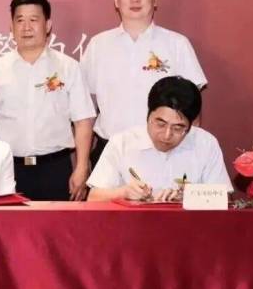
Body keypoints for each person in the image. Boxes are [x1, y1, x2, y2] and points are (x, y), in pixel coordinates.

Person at [81, 0, 206, 167]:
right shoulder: (99, 45)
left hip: (164, 151)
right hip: (109, 150)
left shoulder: (176, 44)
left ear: (155, 0)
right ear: (116, 1)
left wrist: (188, 155)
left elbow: (193, 106)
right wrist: (82, 161)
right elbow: (85, 108)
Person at [0, 0, 96, 200]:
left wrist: (81, 167)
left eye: (34, 20)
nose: (26, 27)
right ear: (11, 27)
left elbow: (83, 121)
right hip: (8, 169)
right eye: (20, 20)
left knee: (56, 222)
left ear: (48, 25)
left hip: (55, 169)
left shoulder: (68, 67)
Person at [87, 76, 232, 202]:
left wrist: (190, 198)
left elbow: (225, 199)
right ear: (148, 115)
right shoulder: (122, 142)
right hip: (133, 224)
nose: (167, 135)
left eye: (178, 128)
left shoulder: (205, 144)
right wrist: (123, 193)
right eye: (160, 124)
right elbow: (93, 198)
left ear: (191, 125)